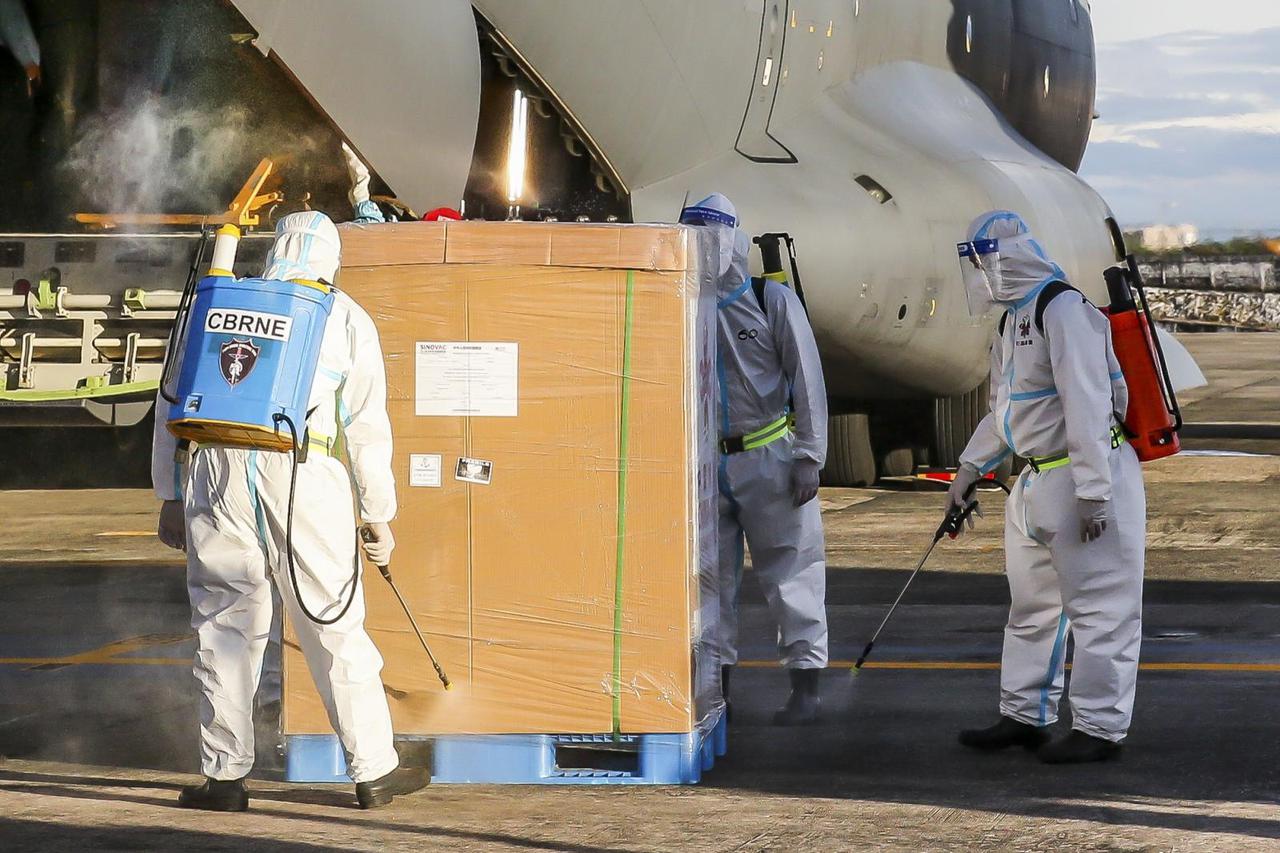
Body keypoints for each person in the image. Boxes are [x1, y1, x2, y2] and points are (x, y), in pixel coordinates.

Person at [153, 212, 429, 810]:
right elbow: (366, 426)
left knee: (225, 626)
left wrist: (170, 495)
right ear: (331, 257)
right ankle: (374, 771)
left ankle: (225, 780)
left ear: (274, 248)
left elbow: (170, 402)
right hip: (305, 474)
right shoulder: (343, 315)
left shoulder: (218, 298)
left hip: (216, 471)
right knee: (331, 622)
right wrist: (378, 513)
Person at [950, 210, 1146, 764]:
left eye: (986, 263)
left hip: (1079, 476)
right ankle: (1024, 714)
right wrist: (969, 470)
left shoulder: (1063, 309)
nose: (982, 276)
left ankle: (1099, 728)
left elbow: (1087, 405)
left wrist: (1095, 493)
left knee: (1101, 609)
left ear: (1009, 258)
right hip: (1036, 480)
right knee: (1033, 607)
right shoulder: (1014, 319)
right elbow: (1007, 409)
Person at [680, 193, 830, 726]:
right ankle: (715, 689)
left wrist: (810, 455)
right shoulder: (679, 300)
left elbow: (806, 378)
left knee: (791, 569)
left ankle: (806, 684)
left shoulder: (770, 300)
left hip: (769, 455)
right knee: (707, 578)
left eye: (712, 233)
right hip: (703, 460)